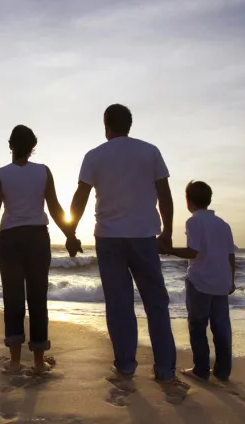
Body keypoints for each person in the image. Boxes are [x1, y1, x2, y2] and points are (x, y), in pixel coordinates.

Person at [66, 104, 185, 388]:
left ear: (106, 125)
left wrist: (71, 232)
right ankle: (165, 370)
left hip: (109, 238)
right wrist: (167, 233)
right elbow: (165, 195)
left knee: (119, 305)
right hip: (144, 235)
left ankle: (126, 365)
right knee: (156, 303)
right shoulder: (150, 151)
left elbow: (80, 197)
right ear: (129, 125)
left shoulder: (94, 156)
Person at [0, 125, 74, 375]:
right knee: (38, 299)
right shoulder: (43, 172)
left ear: (10, 145)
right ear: (32, 147)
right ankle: (39, 362)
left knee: (13, 299)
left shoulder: (0, 175)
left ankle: (16, 360)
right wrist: (70, 235)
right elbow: (55, 207)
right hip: (38, 238)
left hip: (10, 239)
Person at [168, 181, 237, 382]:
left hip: (200, 282)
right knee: (221, 328)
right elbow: (230, 255)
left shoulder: (194, 222)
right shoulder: (223, 224)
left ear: (188, 200)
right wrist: (231, 279)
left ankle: (201, 369)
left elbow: (193, 252)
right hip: (221, 282)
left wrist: (169, 250)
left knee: (198, 326)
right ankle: (223, 371)